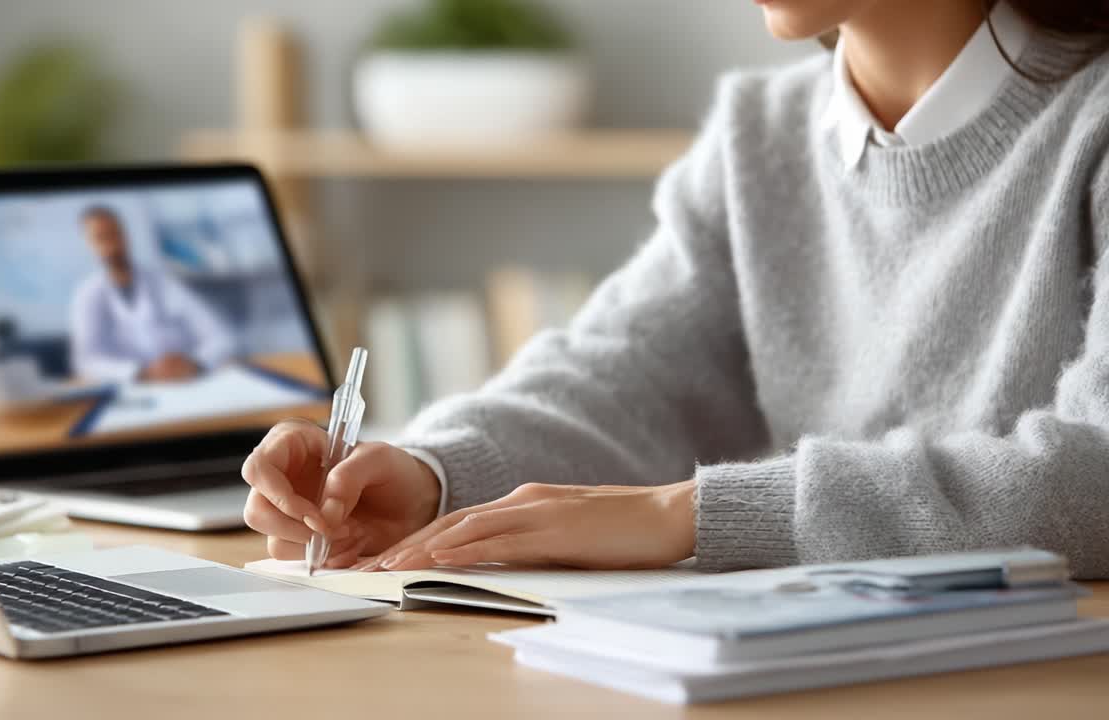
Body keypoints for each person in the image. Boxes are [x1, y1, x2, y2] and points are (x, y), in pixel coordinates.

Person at [242, 0, 1109, 578]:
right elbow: (624, 374)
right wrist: (431, 473)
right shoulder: (759, 136)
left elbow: (1097, 469)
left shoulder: (1092, 120)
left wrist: (694, 513)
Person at [70, 206, 235, 384]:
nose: (112, 245)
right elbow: (86, 362)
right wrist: (141, 372)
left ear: (126, 235)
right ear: (89, 243)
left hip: (188, 381)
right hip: (131, 390)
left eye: (115, 234)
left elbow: (220, 336)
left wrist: (195, 362)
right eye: (101, 238)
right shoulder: (87, 296)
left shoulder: (164, 283)